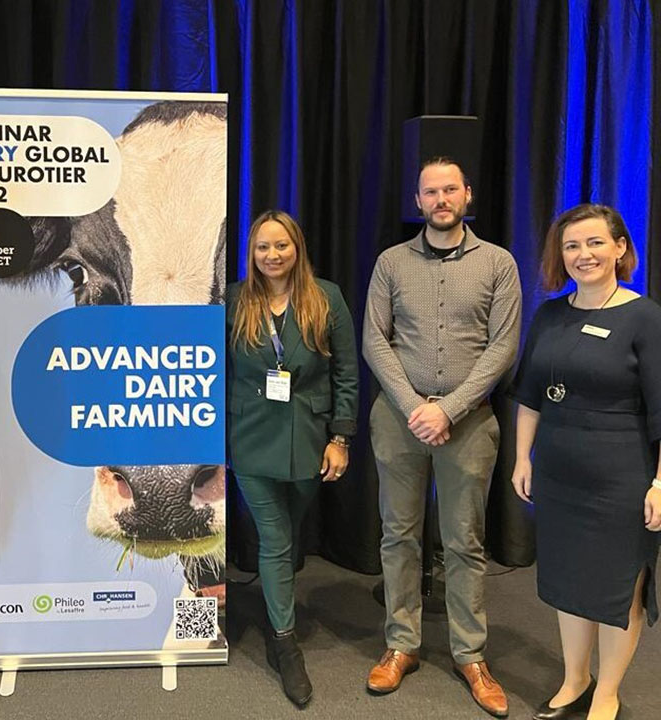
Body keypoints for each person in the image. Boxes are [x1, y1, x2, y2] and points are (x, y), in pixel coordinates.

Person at [362, 156, 521, 717]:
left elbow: (502, 348)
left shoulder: (499, 264)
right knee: (398, 535)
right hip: (400, 420)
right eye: (430, 191)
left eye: (450, 189)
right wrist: (415, 408)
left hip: (471, 421)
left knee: (464, 541)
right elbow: (374, 342)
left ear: (467, 194)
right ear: (418, 201)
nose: (440, 199)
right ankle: (400, 644)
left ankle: (470, 654)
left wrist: (448, 409)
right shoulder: (390, 263)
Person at [510, 204, 661, 720]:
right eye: (572, 245)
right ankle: (576, 680)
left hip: (621, 476)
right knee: (570, 581)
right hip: (559, 471)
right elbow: (530, 394)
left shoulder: (645, 317)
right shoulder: (551, 314)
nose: (583, 255)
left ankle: (608, 694)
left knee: (618, 585)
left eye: (595, 243)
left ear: (620, 248)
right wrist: (521, 458)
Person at [226, 210, 358, 708]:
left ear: (296, 248)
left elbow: (346, 371)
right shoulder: (234, 300)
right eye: (263, 247)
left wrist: (340, 438)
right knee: (277, 539)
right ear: (252, 253)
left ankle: (275, 601)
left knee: (289, 534)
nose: (272, 255)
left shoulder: (327, 297)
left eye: (281, 246)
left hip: (309, 439)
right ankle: (285, 642)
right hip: (251, 439)